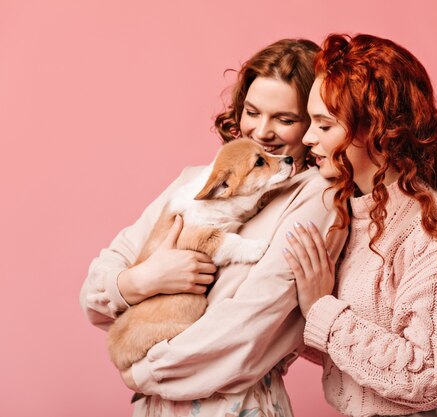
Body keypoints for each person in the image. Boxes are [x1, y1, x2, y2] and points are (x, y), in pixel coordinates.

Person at [79, 38, 348, 417]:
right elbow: (94, 294)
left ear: (311, 125)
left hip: (235, 407)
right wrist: (142, 280)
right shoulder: (196, 182)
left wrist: (140, 370)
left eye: (285, 119)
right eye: (252, 112)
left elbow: (245, 332)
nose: (261, 132)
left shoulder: (315, 199)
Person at [283, 34, 437, 417]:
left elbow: (425, 375)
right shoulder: (349, 213)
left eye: (324, 126)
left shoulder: (434, 224)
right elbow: (355, 359)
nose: (307, 138)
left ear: (375, 129)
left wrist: (322, 310)